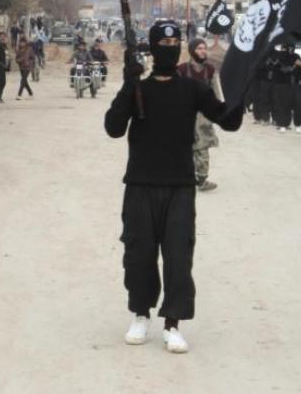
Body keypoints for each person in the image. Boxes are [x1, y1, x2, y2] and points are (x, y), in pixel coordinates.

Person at [105, 21, 244, 354]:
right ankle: (140, 313)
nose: (168, 46)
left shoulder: (192, 89)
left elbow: (229, 120)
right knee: (138, 255)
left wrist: (244, 88)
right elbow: (113, 128)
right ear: (152, 48)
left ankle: (173, 323)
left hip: (180, 187)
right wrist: (128, 85)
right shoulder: (139, 88)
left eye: (173, 41)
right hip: (140, 185)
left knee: (179, 257)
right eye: (162, 42)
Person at [177, 38, 221, 192]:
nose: (203, 51)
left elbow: (216, 92)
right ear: (192, 51)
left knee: (202, 147)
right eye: (199, 48)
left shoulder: (210, 70)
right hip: (184, 115)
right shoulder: (181, 70)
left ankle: (201, 179)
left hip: (203, 116)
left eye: (204, 48)